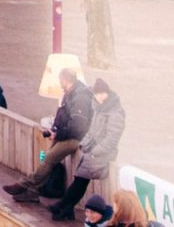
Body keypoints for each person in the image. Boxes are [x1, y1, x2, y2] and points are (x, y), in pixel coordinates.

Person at [6, 66, 93, 203]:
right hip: (65, 135)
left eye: (60, 80)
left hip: (75, 138)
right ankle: (33, 193)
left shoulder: (80, 97)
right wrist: (54, 130)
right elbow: (62, 115)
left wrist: (58, 134)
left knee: (48, 159)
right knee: (45, 161)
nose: (59, 83)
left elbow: (78, 126)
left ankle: (23, 185)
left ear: (64, 79)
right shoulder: (69, 93)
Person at [50, 80, 125, 221]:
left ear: (108, 93)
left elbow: (112, 139)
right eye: (97, 94)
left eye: (102, 93)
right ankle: (65, 208)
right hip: (91, 151)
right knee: (80, 179)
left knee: (80, 180)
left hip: (102, 154)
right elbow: (91, 130)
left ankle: (64, 206)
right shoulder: (99, 107)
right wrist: (84, 144)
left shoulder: (115, 114)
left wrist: (95, 150)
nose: (99, 97)